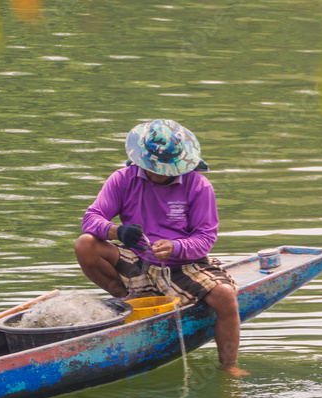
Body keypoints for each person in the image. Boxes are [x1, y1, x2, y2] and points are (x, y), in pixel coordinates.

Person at [75, 118, 247, 377]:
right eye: (155, 168)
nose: (161, 173)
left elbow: (205, 238)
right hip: (137, 257)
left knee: (224, 296)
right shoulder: (122, 179)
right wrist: (117, 231)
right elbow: (90, 219)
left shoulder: (198, 186)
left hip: (183, 264)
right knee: (85, 244)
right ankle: (127, 297)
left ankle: (229, 365)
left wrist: (176, 247)